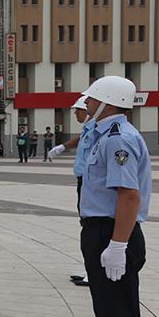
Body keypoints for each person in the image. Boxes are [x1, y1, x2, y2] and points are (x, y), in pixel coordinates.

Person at [73, 76, 151, 317]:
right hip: (106, 229)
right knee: (114, 305)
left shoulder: (117, 140)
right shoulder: (106, 135)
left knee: (114, 306)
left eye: (91, 99)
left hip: (111, 231)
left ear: (107, 102)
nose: (87, 104)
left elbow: (129, 195)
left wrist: (118, 245)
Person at [49, 95, 95, 287]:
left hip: (91, 182)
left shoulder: (98, 128)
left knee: (92, 225)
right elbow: (80, 140)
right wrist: (63, 147)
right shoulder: (90, 127)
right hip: (83, 180)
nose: (75, 113)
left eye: (78, 110)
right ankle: (90, 268)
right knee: (87, 224)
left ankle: (95, 271)